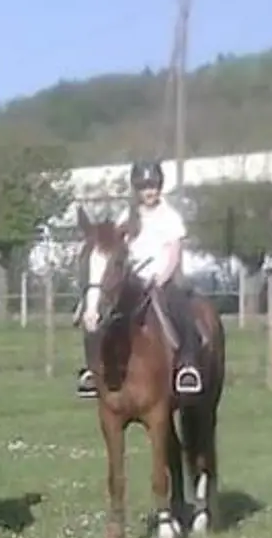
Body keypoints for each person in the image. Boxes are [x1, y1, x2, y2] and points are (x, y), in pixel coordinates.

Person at [76, 160, 204, 399]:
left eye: (153, 186)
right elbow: (115, 247)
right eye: (145, 187)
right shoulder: (127, 216)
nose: (149, 192)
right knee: (97, 310)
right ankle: (92, 369)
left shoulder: (170, 217)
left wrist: (162, 276)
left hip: (162, 277)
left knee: (179, 307)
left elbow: (174, 251)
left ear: (160, 187)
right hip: (132, 278)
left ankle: (187, 366)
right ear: (137, 189)